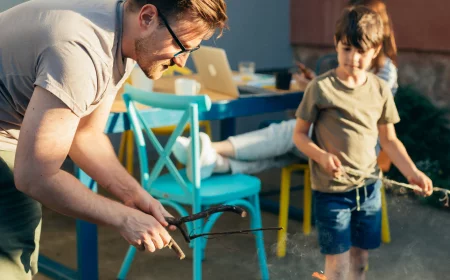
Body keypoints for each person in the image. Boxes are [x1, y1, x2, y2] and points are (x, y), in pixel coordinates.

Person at [0, 0, 227, 278]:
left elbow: (85, 134)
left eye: (193, 49)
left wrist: (133, 195)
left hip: (9, 131)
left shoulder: (122, 36)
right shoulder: (80, 52)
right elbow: (34, 176)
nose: (182, 61)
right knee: (11, 255)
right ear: (147, 17)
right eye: (181, 45)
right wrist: (123, 218)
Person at [172, 0, 398, 180]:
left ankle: (206, 147)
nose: (354, 56)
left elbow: (356, 107)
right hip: (329, 136)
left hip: (358, 147)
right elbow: (343, 95)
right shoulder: (352, 69)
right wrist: (316, 82)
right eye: (348, 47)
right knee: (280, 152)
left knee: (289, 133)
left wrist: (313, 87)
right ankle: (211, 159)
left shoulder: (385, 73)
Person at [293, 6, 432, 280]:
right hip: (332, 193)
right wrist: (321, 156)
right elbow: (299, 135)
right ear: (336, 43)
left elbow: (389, 140)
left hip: (368, 191)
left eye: (361, 51)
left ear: (376, 50)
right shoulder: (321, 88)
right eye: (346, 49)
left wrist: (413, 173)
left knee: (359, 262)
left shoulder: (379, 89)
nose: (353, 58)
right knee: (338, 266)